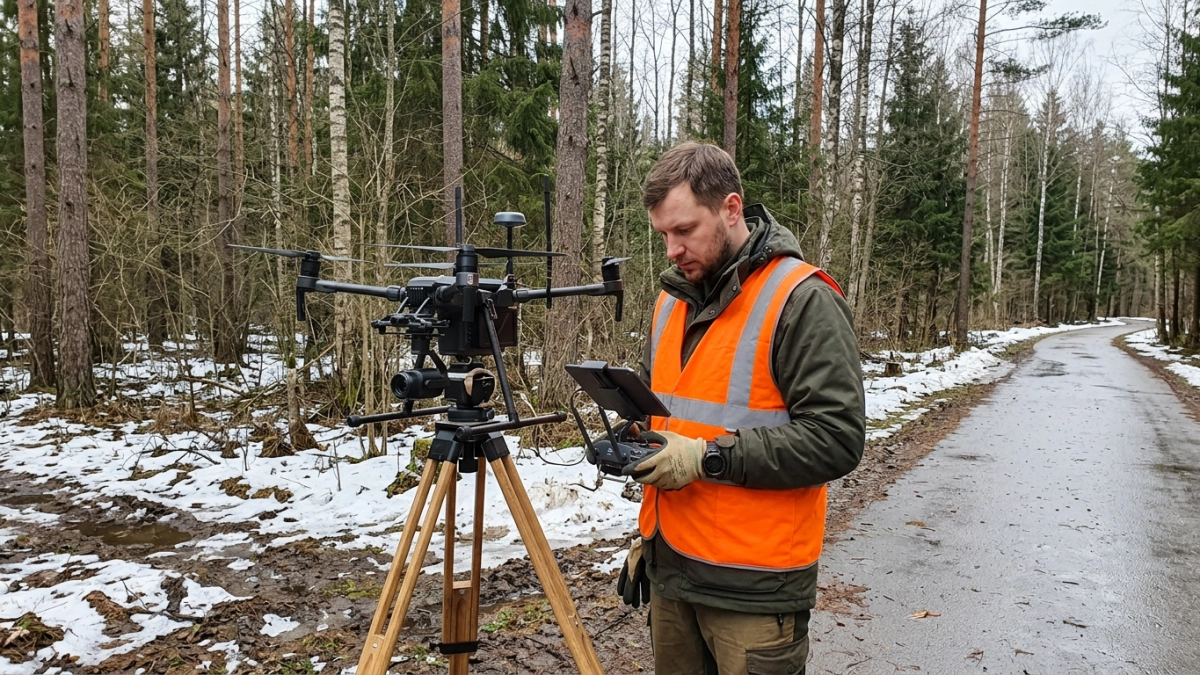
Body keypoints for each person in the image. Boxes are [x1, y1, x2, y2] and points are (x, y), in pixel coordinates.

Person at [617, 141, 866, 675]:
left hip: (753, 588)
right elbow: (667, 409)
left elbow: (837, 437)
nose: (671, 250)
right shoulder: (671, 300)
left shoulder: (802, 300)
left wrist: (707, 458)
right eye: (663, 235)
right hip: (672, 571)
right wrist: (631, 432)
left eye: (684, 231)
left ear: (731, 210)